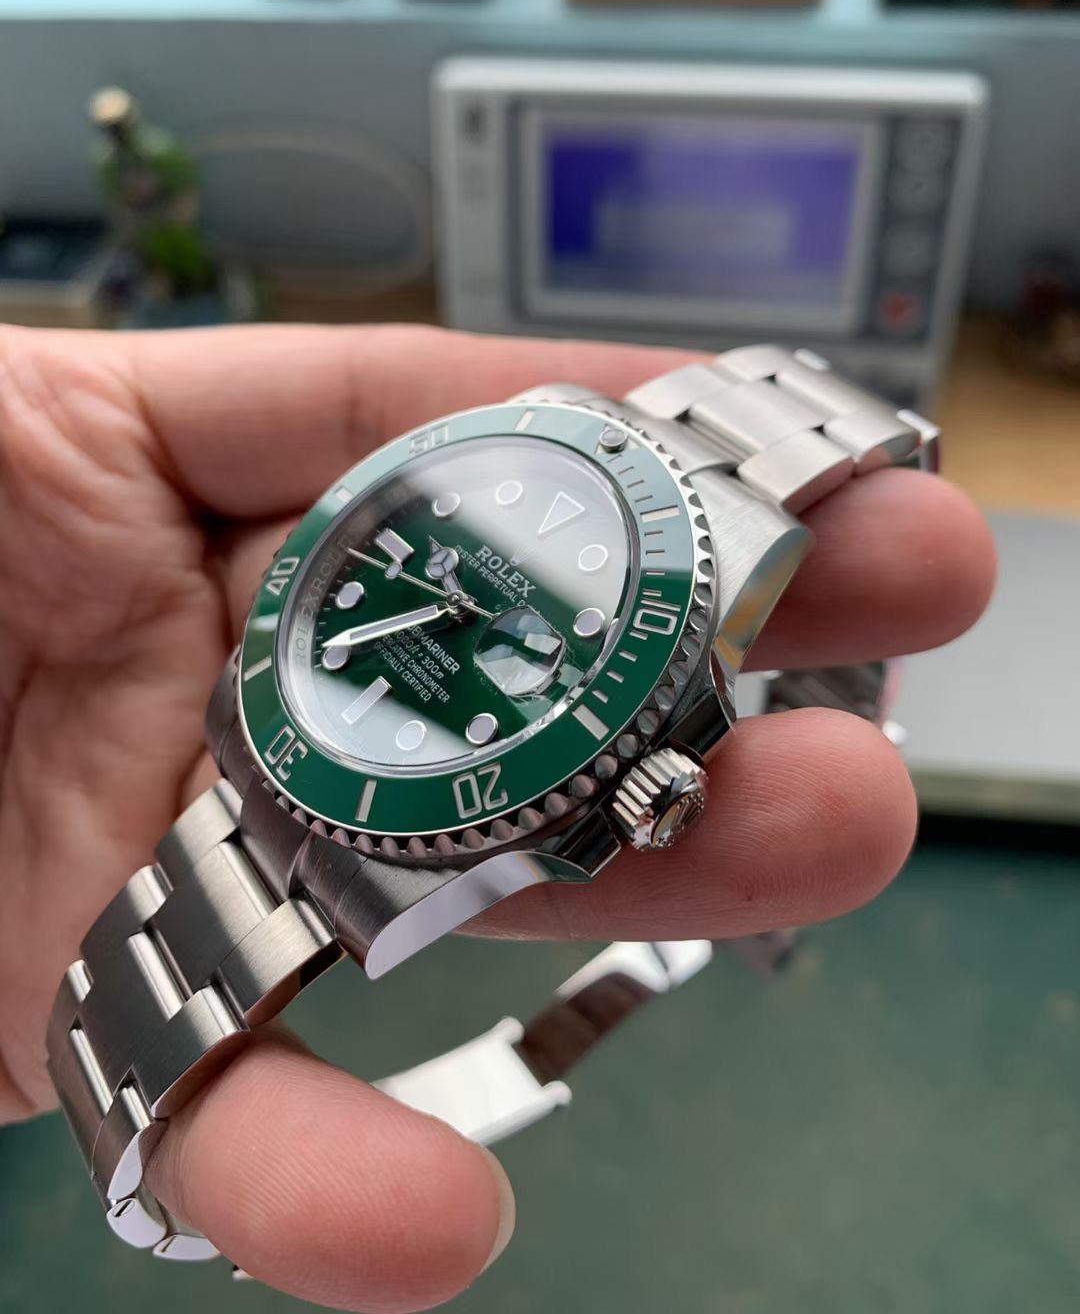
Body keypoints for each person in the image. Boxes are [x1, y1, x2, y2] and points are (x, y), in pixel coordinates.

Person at [0, 321, 996, 1311]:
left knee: (902, 582)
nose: (465, 609)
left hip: (384, 752)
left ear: (651, 788)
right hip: (321, 732)